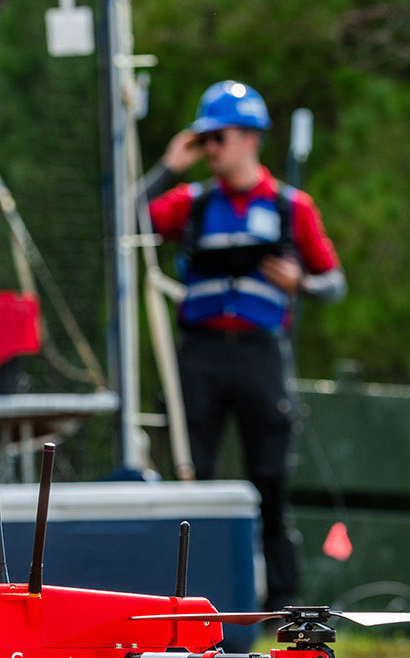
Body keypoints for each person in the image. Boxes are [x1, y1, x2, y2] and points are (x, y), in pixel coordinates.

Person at [146, 81, 346, 610]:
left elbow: (334, 282)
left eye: (220, 137)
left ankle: (280, 609)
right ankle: (189, 606)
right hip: (200, 356)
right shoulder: (189, 203)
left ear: (251, 138)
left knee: (270, 483)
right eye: (204, 138)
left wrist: (299, 283)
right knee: (192, 481)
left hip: (261, 355)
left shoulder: (290, 206)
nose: (211, 149)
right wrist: (170, 166)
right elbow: (124, 223)